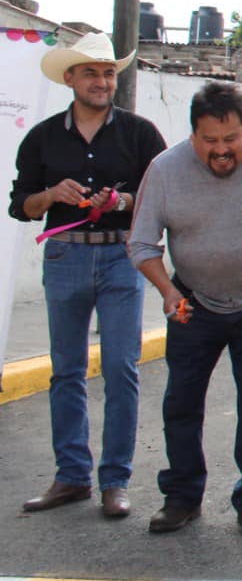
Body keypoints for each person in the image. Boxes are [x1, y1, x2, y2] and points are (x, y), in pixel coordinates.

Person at [128, 82, 242, 538]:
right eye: (210, 141)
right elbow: (141, 243)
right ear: (193, 136)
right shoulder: (165, 170)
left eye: (231, 139)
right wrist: (168, 291)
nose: (221, 150)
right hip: (192, 301)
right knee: (181, 402)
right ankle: (182, 496)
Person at [9, 31, 166, 518]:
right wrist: (52, 194)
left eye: (108, 72)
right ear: (70, 78)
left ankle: (115, 481)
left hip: (121, 258)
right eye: (92, 72)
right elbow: (22, 206)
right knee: (67, 371)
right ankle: (72, 476)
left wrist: (120, 202)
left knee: (121, 368)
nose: (102, 81)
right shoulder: (42, 137)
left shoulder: (140, 134)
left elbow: (163, 200)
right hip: (65, 257)